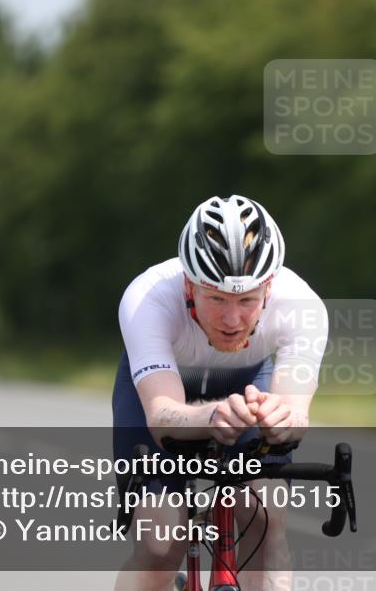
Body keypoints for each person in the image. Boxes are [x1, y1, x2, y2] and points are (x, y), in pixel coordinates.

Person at [113, 195, 328, 591]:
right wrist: (211, 417)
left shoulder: (302, 306)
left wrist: (282, 420)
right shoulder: (147, 298)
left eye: (247, 300)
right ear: (189, 285)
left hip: (247, 383)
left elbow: (295, 414)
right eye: (216, 298)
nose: (232, 320)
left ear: (268, 288)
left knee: (264, 517)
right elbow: (162, 417)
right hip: (163, 388)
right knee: (161, 543)